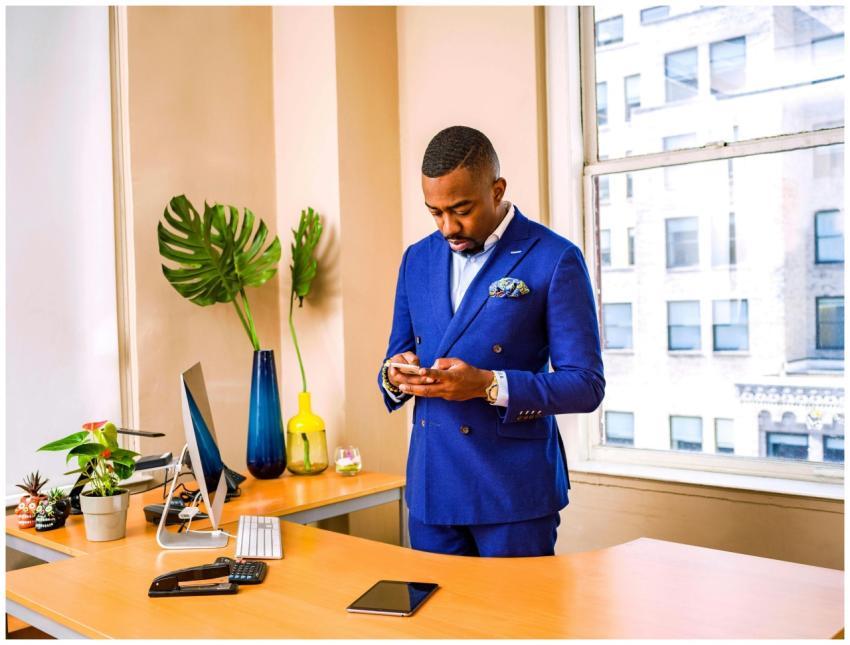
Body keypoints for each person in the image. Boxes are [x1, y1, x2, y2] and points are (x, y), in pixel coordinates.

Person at [378, 125, 604, 557]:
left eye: (461, 209)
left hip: (512, 490)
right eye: (435, 213)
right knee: (434, 623)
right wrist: (395, 374)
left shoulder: (554, 257)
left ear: (497, 189)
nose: (448, 227)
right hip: (431, 487)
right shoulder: (417, 259)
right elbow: (397, 352)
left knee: (514, 623)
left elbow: (586, 384)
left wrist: (486, 384)